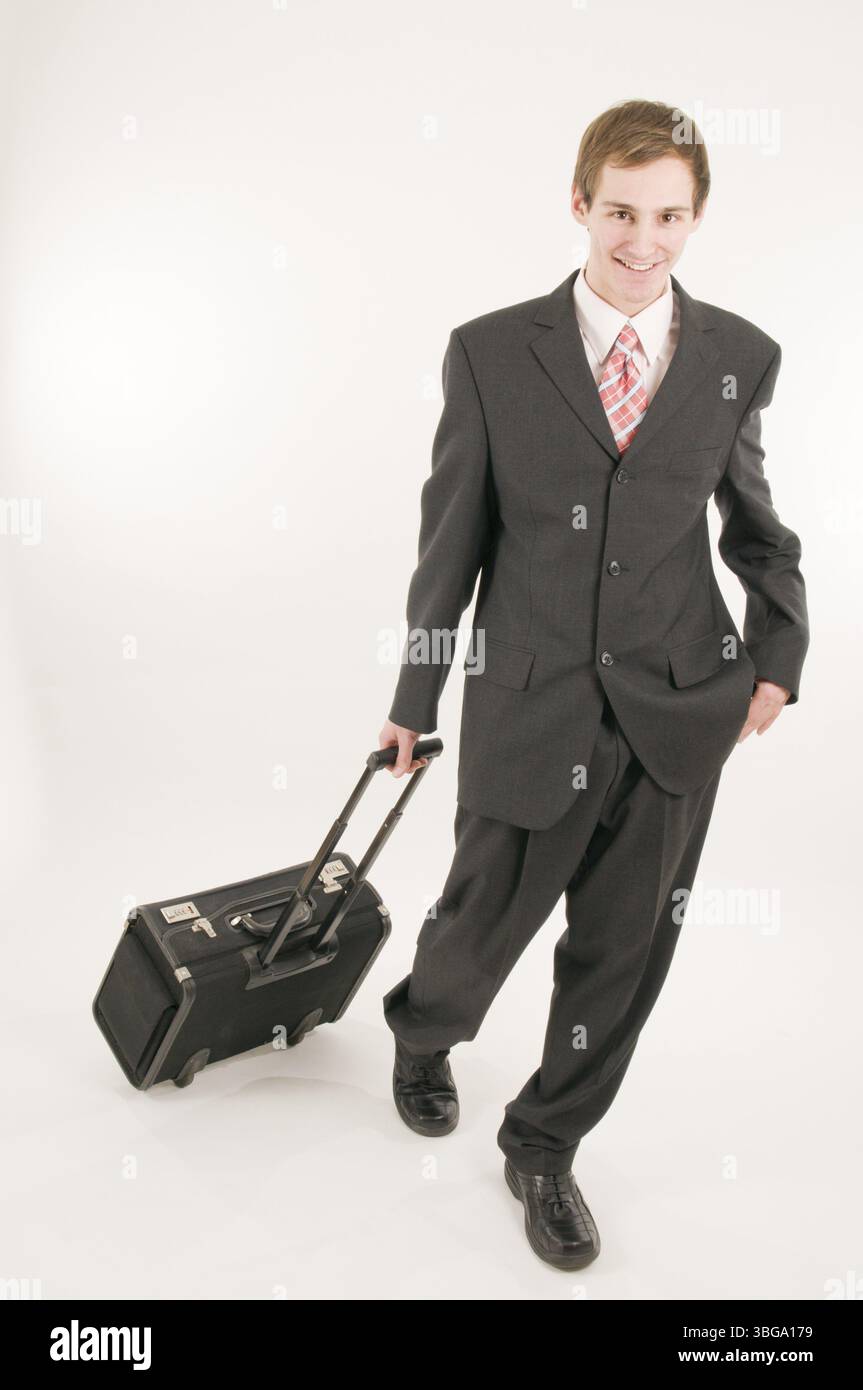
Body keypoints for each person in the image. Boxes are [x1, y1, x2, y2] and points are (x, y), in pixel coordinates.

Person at [377, 99, 809, 1271]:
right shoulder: (489, 351)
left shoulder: (735, 358)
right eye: (619, 210)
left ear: (696, 219)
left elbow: (759, 533)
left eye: (667, 215)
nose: (641, 238)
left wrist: (778, 653)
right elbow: (447, 549)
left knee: (622, 956)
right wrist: (415, 701)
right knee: (481, 923)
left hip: (680, 707)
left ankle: (544, 1145)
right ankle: (425, 1029)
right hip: (532, 701)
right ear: (580, 204)